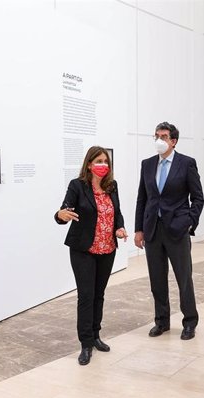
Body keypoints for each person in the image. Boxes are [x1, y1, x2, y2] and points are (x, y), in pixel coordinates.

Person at [55, 146, 128, 365]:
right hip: (83, 249)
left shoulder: (111, 186)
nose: (103, 165)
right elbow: (63, 211)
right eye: (98, 161)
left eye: (106, 161)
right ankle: (85, 344)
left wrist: (120, 228)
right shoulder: (77, 186)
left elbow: (117, 212)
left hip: (107, 249)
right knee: (86, 296)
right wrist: (61, 215)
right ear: (89, 164)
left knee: (99, 294)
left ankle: (96, 335)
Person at [135, 122, 204, 340]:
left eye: (163, 136)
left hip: (177, 230)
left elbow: (198, 198)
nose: (159, 140)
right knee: (157, 278)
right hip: (152, 230)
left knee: (184, 278)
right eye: (156, 135)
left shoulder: (186, 163)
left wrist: (188, 222)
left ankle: (190, 321)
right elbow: (142, 198)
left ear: (173, 141)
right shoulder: (147, 164)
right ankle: (161, 321)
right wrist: (139, 229)